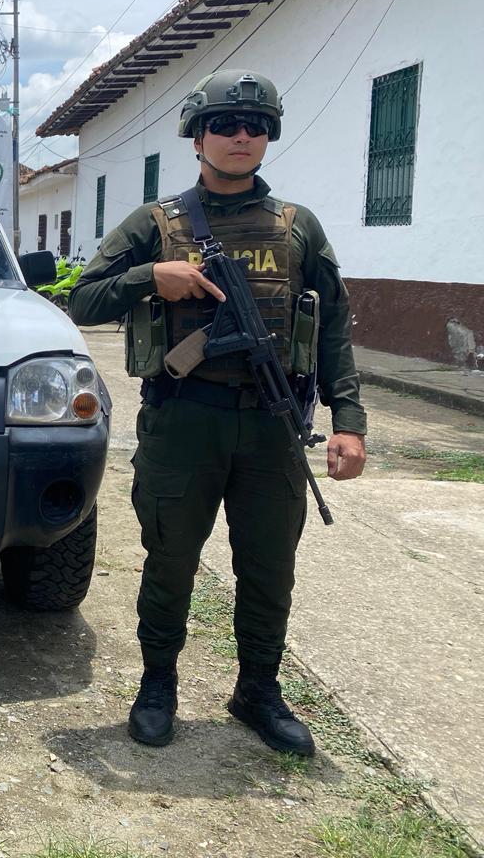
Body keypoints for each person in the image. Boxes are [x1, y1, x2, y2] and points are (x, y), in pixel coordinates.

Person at [68, 69, 367, 756]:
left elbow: (335, 328)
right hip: (184, 422)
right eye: (227, 124)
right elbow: (82, 299)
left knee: (268, 566)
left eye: (255, 126)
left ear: (269, 138)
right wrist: (154, 277)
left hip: (272, 425)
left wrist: (348, 420)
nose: (241, 136)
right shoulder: (156, 224)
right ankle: (157, 684)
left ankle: (257, 689)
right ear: (197, 136)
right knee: (170, 560)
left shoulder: (297, 228)